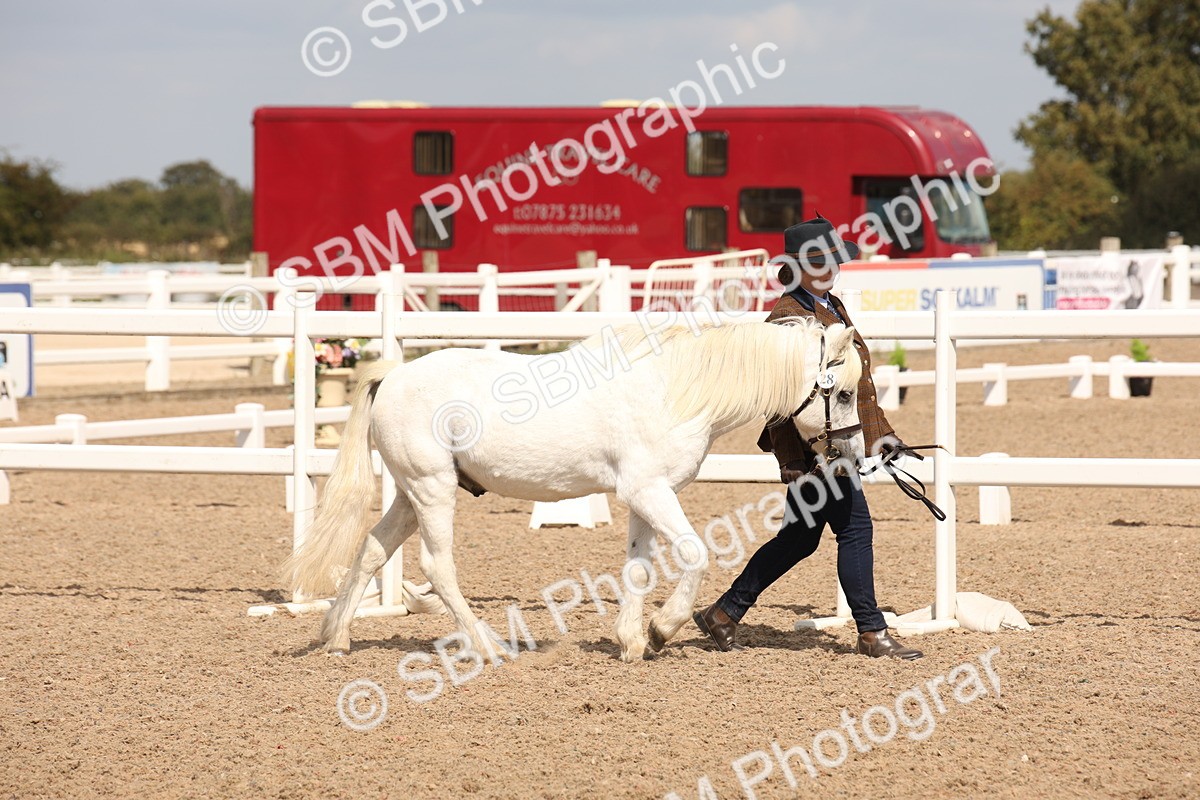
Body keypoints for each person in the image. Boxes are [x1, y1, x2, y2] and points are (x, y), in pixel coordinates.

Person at [693, 215, 924, 660]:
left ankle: (724, 613)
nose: (831, 267)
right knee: (856, 529)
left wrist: (881, 437)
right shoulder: (787, 318)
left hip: (838, 441)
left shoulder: (831, 305)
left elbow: (854, 385)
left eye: (834, 258)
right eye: (820, 261)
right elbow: (777, 401)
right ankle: (872, 632)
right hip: (815, 451)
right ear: (797, 267)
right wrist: (792, 463)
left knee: (799, 539)